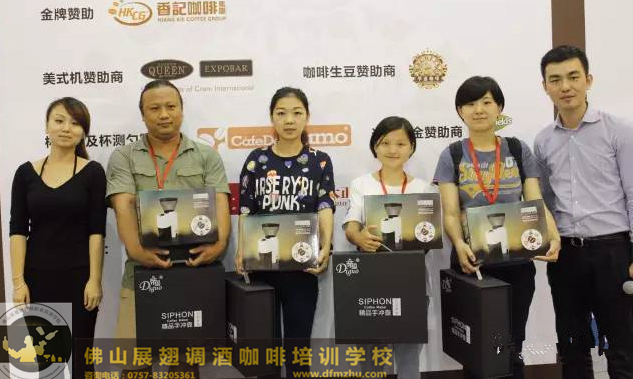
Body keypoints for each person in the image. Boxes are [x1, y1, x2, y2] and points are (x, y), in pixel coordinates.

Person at [433, 76, 561, 378]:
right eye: (470, 104)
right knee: (475, 349)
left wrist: (553, 236)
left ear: (499, 108)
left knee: (512, 346)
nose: (479, 110)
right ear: (460, 111)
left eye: (487, 102)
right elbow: (450, 213)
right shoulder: (452, 154)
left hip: (517, 263)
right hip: (472, 263)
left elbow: (535, 201)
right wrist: (459, 244)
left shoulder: (517, 149)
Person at [106, 79, 231, 377]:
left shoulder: (206, 156)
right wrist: (137, 251)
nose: (164, 114)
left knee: (185, 366)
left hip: (193, 274)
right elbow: (124, 207)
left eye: (171, 106)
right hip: (141, 274)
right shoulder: (124, 156)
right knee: (134, 366)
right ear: (143, 115)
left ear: (181, 110)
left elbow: (221, 203)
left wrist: (219, 245)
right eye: (155, 108)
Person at [534, 45, 633, 378]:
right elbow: (546, 200)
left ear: (588, 80)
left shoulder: (618, 130)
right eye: (555, 80)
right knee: (572, 346)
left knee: (622, 346)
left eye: (573, 77)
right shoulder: (543, 141)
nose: (565, 87)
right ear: (545, 86)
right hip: (566, 256)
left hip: (613, 251)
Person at [235, 87, 334, 378]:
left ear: (307, 117)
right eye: (281, 113)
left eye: (296, 113)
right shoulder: (256, 160)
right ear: (272, 118)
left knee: (298, 349)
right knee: (265, 349)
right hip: (262, 265)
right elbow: (245, 209)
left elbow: (325, 206)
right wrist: (241, 249)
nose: (289, 120)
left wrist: (325, 247)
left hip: (302, 268)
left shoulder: (320, 160)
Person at [9, 97, 107, 379]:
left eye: (75, 123)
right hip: (37, 279)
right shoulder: (25, 173)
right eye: (59, 120)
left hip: (79, 279)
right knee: (44, 362)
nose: (66, 128)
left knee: (81, 363)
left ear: (84, 131)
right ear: (47, 126)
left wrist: (95, 280)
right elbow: (18, 230)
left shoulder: (93, 172)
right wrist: (18, 282)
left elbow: (96, 231)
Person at [343, 116, 431, 379]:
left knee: (408, 356)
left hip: (411, 280)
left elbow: (428, 235)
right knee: (371, 357)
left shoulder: (423, 188)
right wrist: (359, 237)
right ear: (375, 147)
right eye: (385, 143)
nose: (393, 150)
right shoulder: (361, 184)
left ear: (411, 147)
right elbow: (351, 226)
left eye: (401, 143)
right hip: (371, 280)